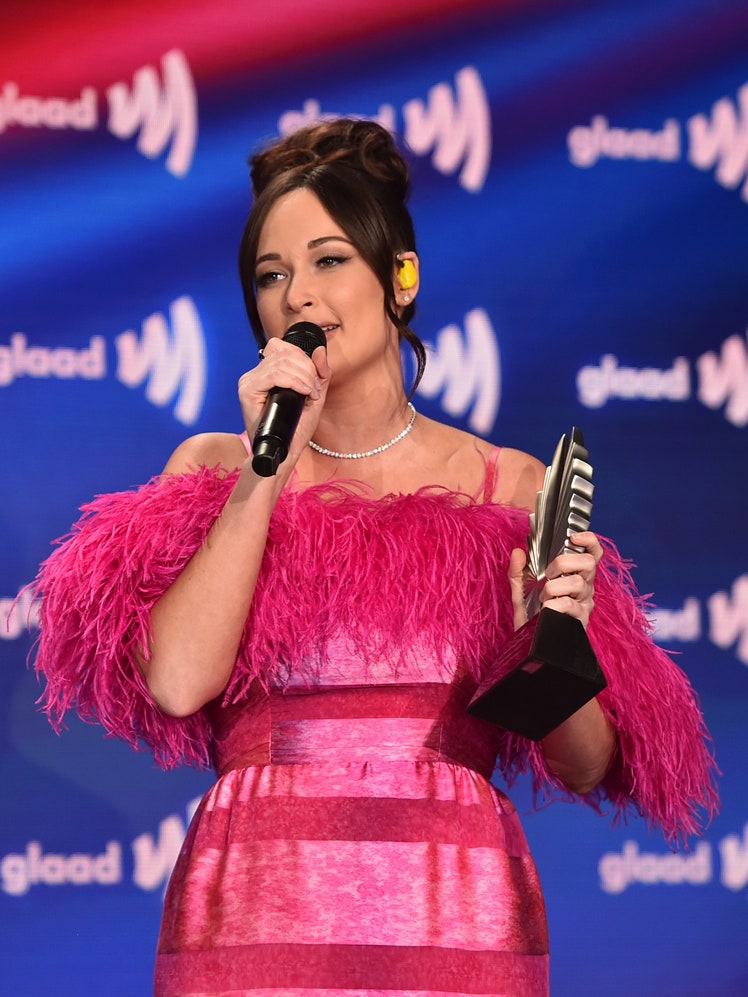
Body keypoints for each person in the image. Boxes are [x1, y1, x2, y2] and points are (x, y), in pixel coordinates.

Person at [32, 119, 717, 997]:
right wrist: (266, 470)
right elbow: (177, 683)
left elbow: (586, 762)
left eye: (327, 261)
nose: (297, 297)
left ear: (401, 278)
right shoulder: (213, 471)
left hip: (455, 921)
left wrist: (552, 638)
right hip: (254, 924)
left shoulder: (502, 484)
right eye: (270, 276)